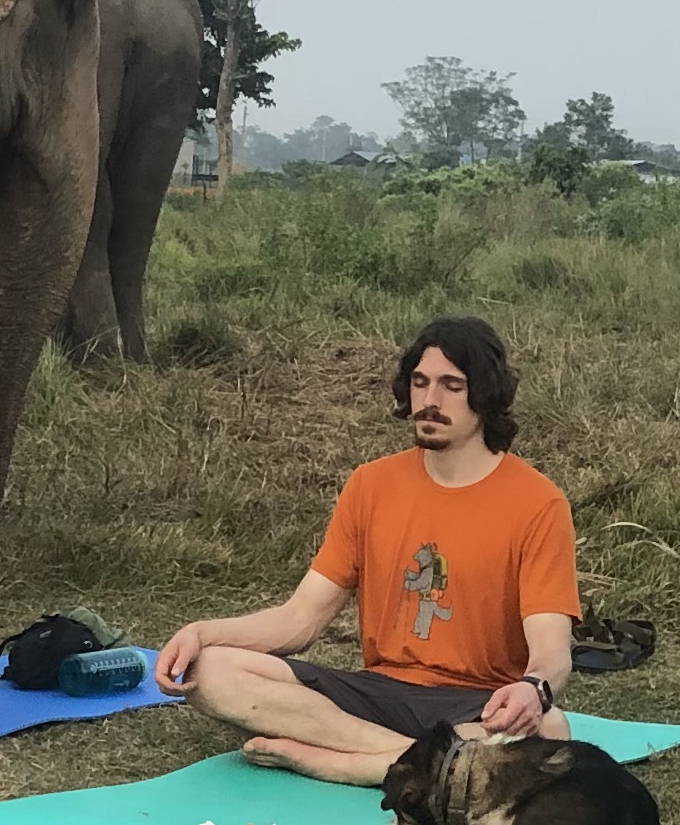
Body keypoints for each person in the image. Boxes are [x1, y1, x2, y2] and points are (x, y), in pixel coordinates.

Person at [155, 313, 582, 785]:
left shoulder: (537, 503)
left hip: (476, 703)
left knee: (547, 725)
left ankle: (334, 759)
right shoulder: (371, 485)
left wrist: (532, 689)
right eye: (420, 383)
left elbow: (551, 650)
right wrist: (202, 631)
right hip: (377, 693)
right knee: (209, 669)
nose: (430, 401)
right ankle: (414, 763)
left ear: (486, 394)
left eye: (451, 386)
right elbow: (299, 620)